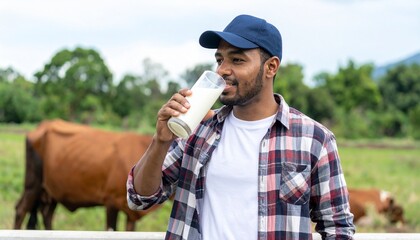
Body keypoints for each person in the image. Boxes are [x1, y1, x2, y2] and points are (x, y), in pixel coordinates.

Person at [127, 14, 355, 240]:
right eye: (219, 60)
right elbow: (140, 198)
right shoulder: (197, 130)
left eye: (237, 60)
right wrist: (161, 140)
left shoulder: (314, 139)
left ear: (271, 67)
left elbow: (338, 229)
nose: (222, 70)